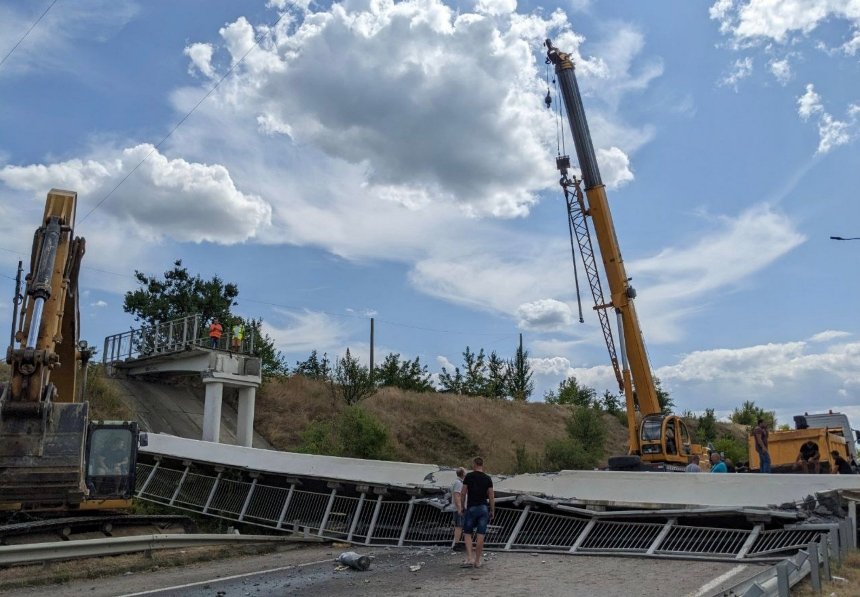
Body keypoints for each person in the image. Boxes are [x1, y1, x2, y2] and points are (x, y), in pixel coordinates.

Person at [461, 457, 494, 569]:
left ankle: (470, 558)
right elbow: (491, 496)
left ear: (474, 464)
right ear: (482, 465)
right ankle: (477, 561)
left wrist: (461, 507)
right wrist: (492, 510)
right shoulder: (488, 478)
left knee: (468, 533)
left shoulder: (468, 477)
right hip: (483, 508)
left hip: (471, 507)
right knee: (481, 535)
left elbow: (463, 493)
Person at [450, 467, 466, 550]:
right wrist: (460, 508)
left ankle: (458, 542)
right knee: (458, 526)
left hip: (459, 507)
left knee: (460, 525)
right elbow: (457, 496)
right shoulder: (458, 483)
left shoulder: (459, 482)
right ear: (463, 474)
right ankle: (457, 544)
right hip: (458, 508)